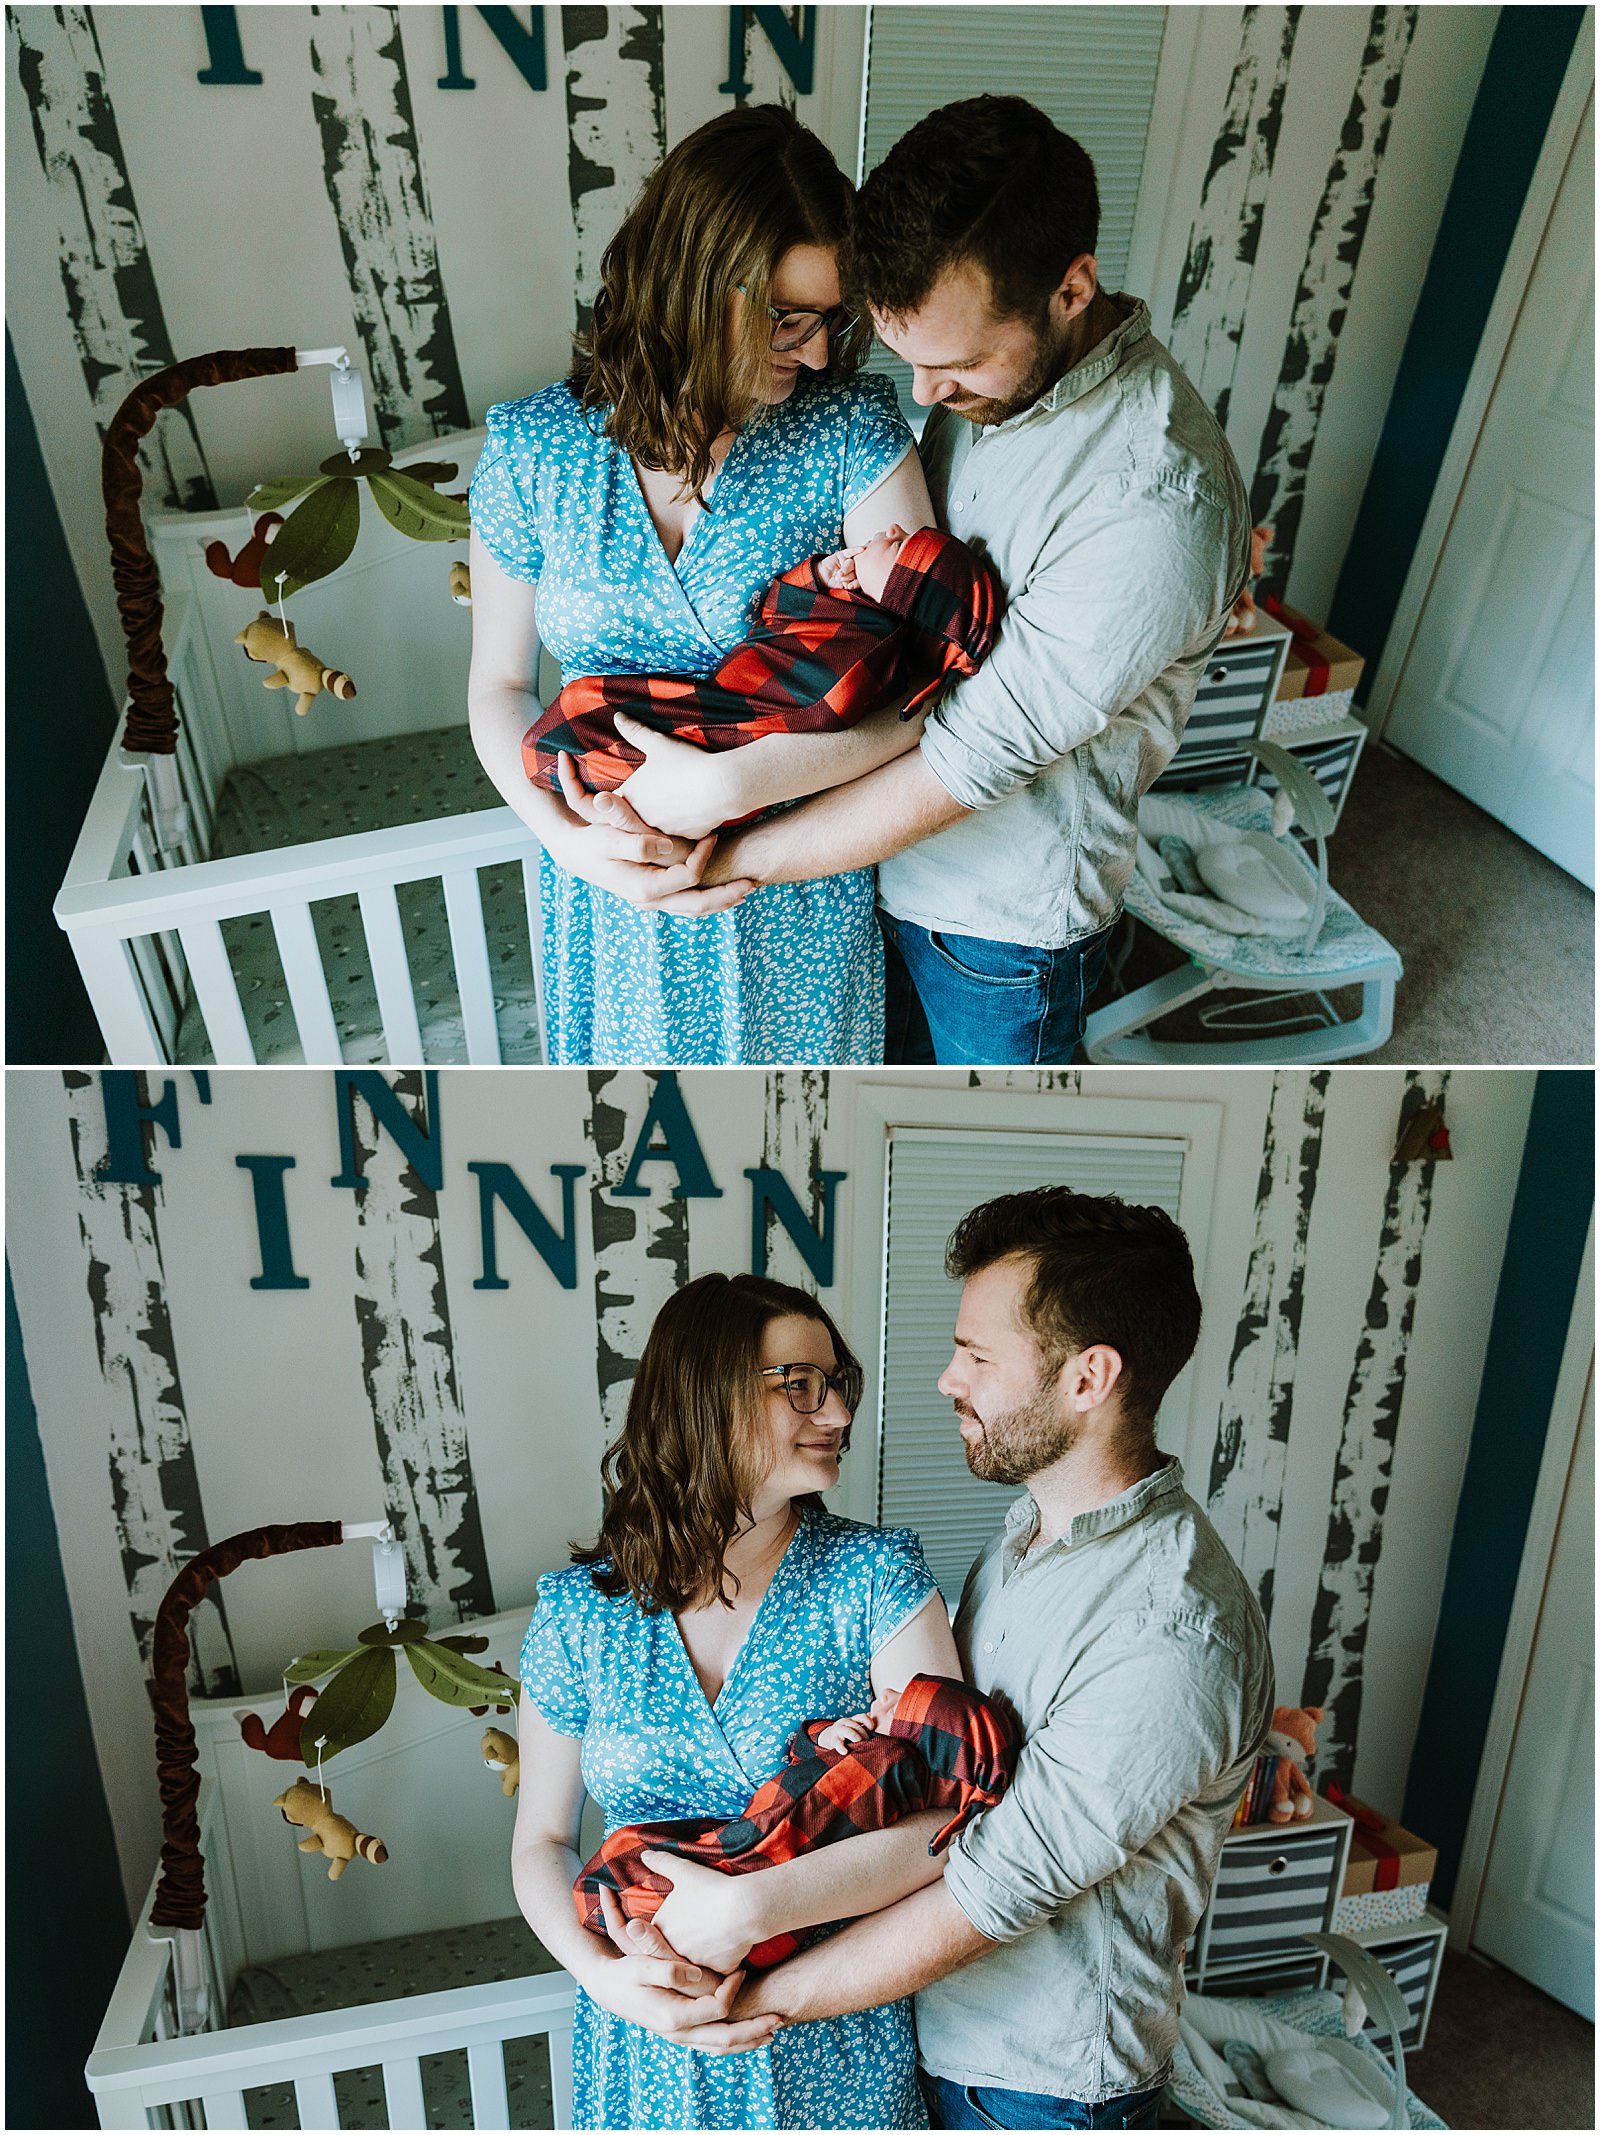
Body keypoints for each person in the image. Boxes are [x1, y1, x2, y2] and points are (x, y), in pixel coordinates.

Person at [613, 97, 1253, 1067]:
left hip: (996, 928)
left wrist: (728, 851)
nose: (923, 396)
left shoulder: (1156, 503)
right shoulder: (991, 378)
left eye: (951, 364)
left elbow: (967, 755)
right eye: (905, 356)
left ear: (1071, 287)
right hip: (868, 872)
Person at [629, 1189, 1276, 2130]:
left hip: (1041, 2089)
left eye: (977, 1354)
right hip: (940, 2049)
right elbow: (948, 1767)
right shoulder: (1026, 1535)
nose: (947, 1378)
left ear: (1087, 1377)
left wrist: (748, 1991)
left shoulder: (1171, 1624)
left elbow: (990, 1882)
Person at [467, 104, 936, 1066]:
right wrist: (563, 841)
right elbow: (498, 687)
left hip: (798, 878)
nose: (811, 352)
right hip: (611, 883)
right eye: (784, 316)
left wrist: (739, 780)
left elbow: (927, 694)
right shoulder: (531, 451)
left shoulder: (849, 433)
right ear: (693, 276)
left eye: (828, 320)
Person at [510, 1271, 962, 2129]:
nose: (836, 1414)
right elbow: (540, 1840)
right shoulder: (578, 1611)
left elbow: (948, 1822)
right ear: (704, 1396)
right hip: (647, 2040)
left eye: (837, 1386)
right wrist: (604, 1977)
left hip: (833, 2030)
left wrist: (754, 1908)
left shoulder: (875, 1581)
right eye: (802, 1386)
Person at [521, 522, 999, 814]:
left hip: (731, 724)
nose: (892, 530)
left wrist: (817, 593)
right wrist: (819, 580)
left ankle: (576, 764)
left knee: (600, 713)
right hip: (731, 701)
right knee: (603, 723)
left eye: (899, 548)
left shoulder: (870, 648)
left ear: (899, 595)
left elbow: (809, 704)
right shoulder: (859, 623)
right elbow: (778, 626)